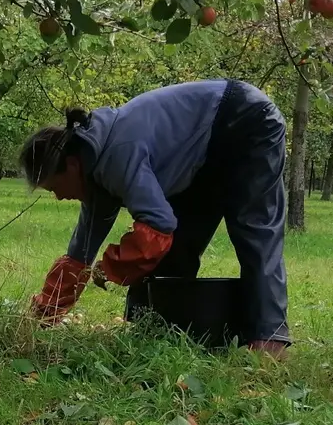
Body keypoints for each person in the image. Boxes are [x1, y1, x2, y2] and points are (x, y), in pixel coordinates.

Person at [23, 79, 290, 355]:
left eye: (54, 187)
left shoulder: (116, 154)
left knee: (254, 229)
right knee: (178, 245)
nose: (58, 197)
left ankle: (269, 340)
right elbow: (80, 252)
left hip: (245, 119)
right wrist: (45, 312)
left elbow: (158, 227)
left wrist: (111, 267)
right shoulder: (94, 172)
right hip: (204, 151)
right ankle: (156, 329)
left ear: (71, 165)